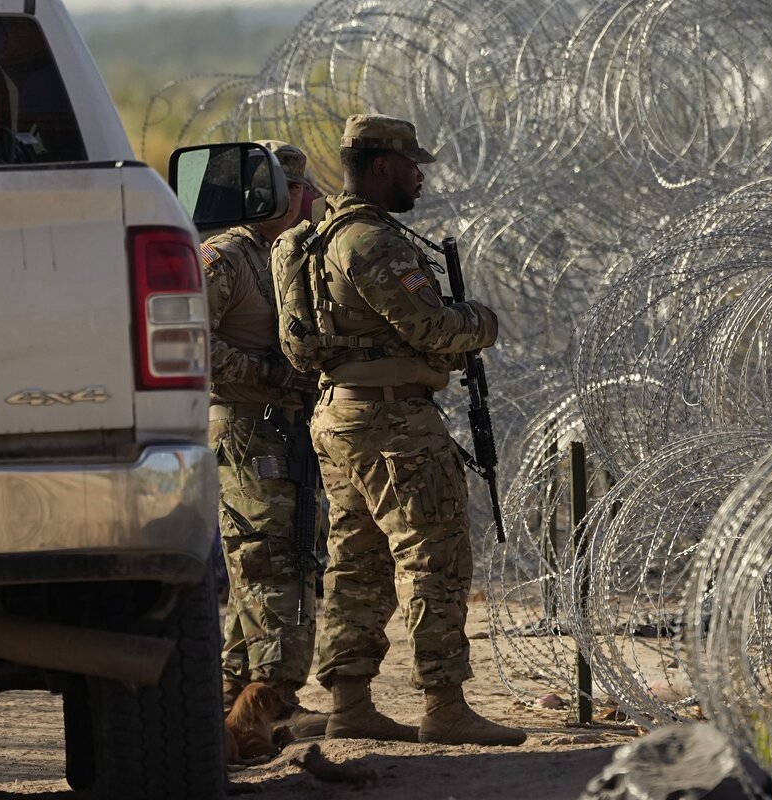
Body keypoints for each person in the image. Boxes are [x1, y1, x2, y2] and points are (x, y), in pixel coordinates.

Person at [294, 113, 525, 746]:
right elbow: (432, 328)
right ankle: (445, 705)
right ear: (381, 167)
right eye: (411, 165)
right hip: (392, 422)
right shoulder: (372, 242)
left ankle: (350, 703)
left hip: (342, 415)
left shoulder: (320, 237)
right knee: (434, 558)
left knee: (356, 562)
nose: (419, 177)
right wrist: (481, 321)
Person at [203, 139, 325, 738]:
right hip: (246, 427)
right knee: (269, 563)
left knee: (277, 560)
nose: (309, 202)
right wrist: (270, 373)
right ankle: (272, 701)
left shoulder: (284, 257)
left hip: (282, 427)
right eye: (299, 190)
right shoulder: (226, 259)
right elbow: (184, 341)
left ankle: (235, 697)